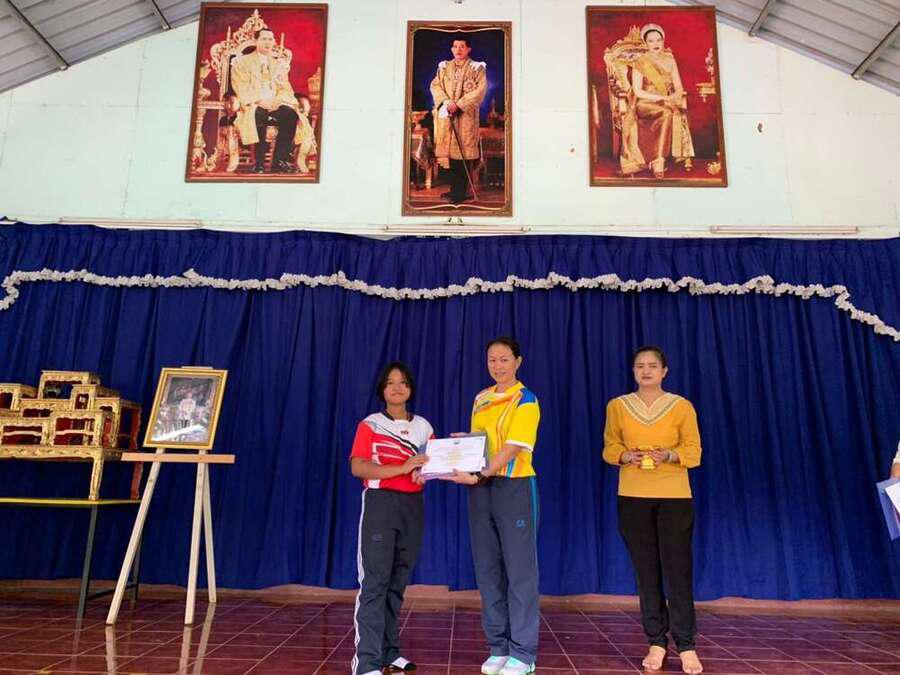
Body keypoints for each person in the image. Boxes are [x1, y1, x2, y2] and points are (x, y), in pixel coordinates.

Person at [443, 337, 540, 675]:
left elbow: (513, 448)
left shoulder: (526, 400)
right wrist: (463, 446)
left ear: (518, 361)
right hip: (481, 489)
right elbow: (481, 443)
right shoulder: (481, 398)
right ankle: (498, 647)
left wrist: (481, 472)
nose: (498, 366)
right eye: (492, 360)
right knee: (487, 570)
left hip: (514, 487)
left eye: (504, 359)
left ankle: (523, 654)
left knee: (520, 572)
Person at [602, 346, 703, 674]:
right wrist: (624, 456)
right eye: (640, 366)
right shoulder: (618, 406)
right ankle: (656, 642)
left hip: (674, 496)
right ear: (633, 371)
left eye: (652, 366)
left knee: (678, 571)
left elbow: (694, 451)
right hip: (633, 496)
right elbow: (610, 447)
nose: (646, 371)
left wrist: (670, 456)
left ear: (664, 371)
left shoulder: (681, 406)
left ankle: (686, 645)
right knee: (646, 573)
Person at [350, 362, 432, 675]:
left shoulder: (423, 426)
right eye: (390, 382)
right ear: (382, 389)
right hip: (380, 506)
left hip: (413, 506)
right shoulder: (370, 425)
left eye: (403, 382)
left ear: (410, 388)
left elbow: (429, 465)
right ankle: (366, 662)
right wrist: (403, 468)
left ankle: (388, 653)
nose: (397, 388)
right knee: (375, 583)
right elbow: (358, 467)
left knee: (397, 583)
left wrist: (426, 472)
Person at [230, 28, 315, 173]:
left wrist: (278, 100)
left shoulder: (277, 64)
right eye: (264, 39)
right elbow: (240, 86)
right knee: (259, 114)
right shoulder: (242, 62)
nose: (268, 42)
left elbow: (285, 87)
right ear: (256, 41)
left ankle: (279, 161)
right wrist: (259, 100)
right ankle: (259, 163)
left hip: (275, 102)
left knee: (290, 114)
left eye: (270, 39)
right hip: (253, 103)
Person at [617, 24, 695, 179]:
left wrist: (675, 96)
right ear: (645, 43)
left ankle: (657, 160)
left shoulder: (670, 60)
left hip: (665, 102)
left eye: (659, 40)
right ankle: (658, 160)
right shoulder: (640, 61)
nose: (656, 44)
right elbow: (638, 91)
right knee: (667, 113)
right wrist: (663, 98)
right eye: (651, 41)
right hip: (643, 103)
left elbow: (679, 87)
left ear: (663, 41)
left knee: (668, 111)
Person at [429, 36, 487, 204]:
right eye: (455, 46)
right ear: (452, 49)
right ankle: (455, 190)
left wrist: (459, 105)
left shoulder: (477, 68)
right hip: (447, 115)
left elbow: (480, 90)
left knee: (462, 154)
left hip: (465, 117)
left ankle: (460, 193)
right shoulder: (444, 67)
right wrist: (447, 102)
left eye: (462, 46)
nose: (458, 49)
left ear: (468, 49)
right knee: (450, 155)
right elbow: (435, 86)